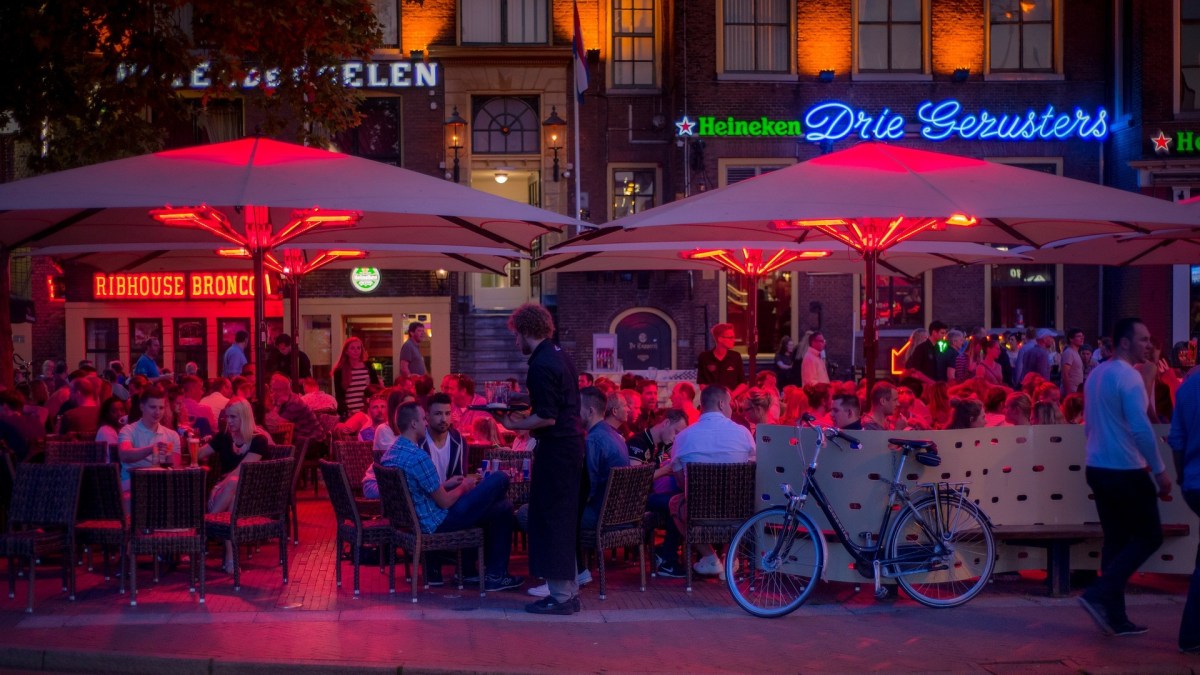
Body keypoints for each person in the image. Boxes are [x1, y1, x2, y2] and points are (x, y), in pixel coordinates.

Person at [1078, 317, 1171, 637]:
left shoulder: (1097, 374)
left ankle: (1114, 616)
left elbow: (1090, 423)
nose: (1149, 344)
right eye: (1143, 339)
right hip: (1126, 468)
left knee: (1116, 539)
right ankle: (1100, 593)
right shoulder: (1128, 378)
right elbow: (1141, 427)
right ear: (1125, 342)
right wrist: (1159, 471)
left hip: (1098, 466)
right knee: (1150, 535)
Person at [492, 303, 585, 615]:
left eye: (515, 335)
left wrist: (512, 424)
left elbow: (547, 417)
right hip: (571, 448)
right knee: (563, 519)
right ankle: (568, 592)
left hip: (556, 451)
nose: (514, 341)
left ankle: (560, 597)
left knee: (549, 520)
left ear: (525, 331)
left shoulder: (540, 364)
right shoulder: (560, 355)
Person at [380, 401, 523, 593]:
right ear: (414, 424)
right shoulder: (418, 457)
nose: (426, 422)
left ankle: (495, 576)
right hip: (437, 522)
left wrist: (447, 485)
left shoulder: (392, 452)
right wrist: (465, 486)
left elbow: (416, 488)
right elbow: (445, 501)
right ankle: (494, 575)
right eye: (423, 418)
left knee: (503, 508)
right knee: (499, 478)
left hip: (415, 519)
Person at [668, 385, 755, 578]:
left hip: (698, 512)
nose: (732, 408)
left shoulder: (683, 437)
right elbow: (752, 472)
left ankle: (710, 557)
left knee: (675, 502)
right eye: (731, 403)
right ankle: (730, 558)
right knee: (743, 500)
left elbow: (681, 481)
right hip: (736, 510)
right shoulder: (743, 434)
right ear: (722, 404)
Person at [195, 397, 267, 573]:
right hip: (229, 496)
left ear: (245, 417)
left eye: (233, 417)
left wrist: (218, 487)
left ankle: (205, 529)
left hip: (251, 495)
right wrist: (194, 445)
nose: (229, 421)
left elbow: (242, 470)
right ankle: (230, 557)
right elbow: (198, 454)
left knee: (234, 483)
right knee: (232, 499)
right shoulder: (224, 436)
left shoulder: (259, 440)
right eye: (227, 417)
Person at [1171, 369, 1200, 652]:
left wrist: (1182, 476)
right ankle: (1192, 632)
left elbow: (1176, 439)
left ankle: (1192, 632)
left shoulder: (1188, 387)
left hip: (1194, 483)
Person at [117, 385, 181, 503]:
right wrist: (151, 449)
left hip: (160, 483)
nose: (157, 412)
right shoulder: (128, 430)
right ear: (142, 407)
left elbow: (175, 467)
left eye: (161, 408)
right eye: (153, 407)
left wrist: (167, 455)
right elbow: (125, 455)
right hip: (132, 482)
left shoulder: (172, 435)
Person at [333, 337, 380, 419]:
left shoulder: (368, 366)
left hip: (367, 410)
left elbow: (376, 387)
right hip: (350, 411)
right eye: (352, 348)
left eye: (358, 348)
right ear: (346, 351)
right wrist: (345, 411)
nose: (356, 351)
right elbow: (339, 395)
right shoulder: (340, 370)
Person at [697, 323, 747, 397]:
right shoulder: (704, 357)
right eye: (730, 337)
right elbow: (702, 383)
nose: (734, 340)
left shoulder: (736, 356)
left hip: (731, 402)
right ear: (720, 339)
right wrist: (713, 396)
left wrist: (731, 396)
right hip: (711, 400)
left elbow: (743, 383)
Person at [1061, 328, 1086, 395]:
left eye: (1082, 336)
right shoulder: (1069, 353)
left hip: (1076, 390)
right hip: (1071, 391)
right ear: (1071, 339)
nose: (1082, 338)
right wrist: (1068, 392)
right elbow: (1065, 373)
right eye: (1079, 336)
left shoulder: (1076, 353)